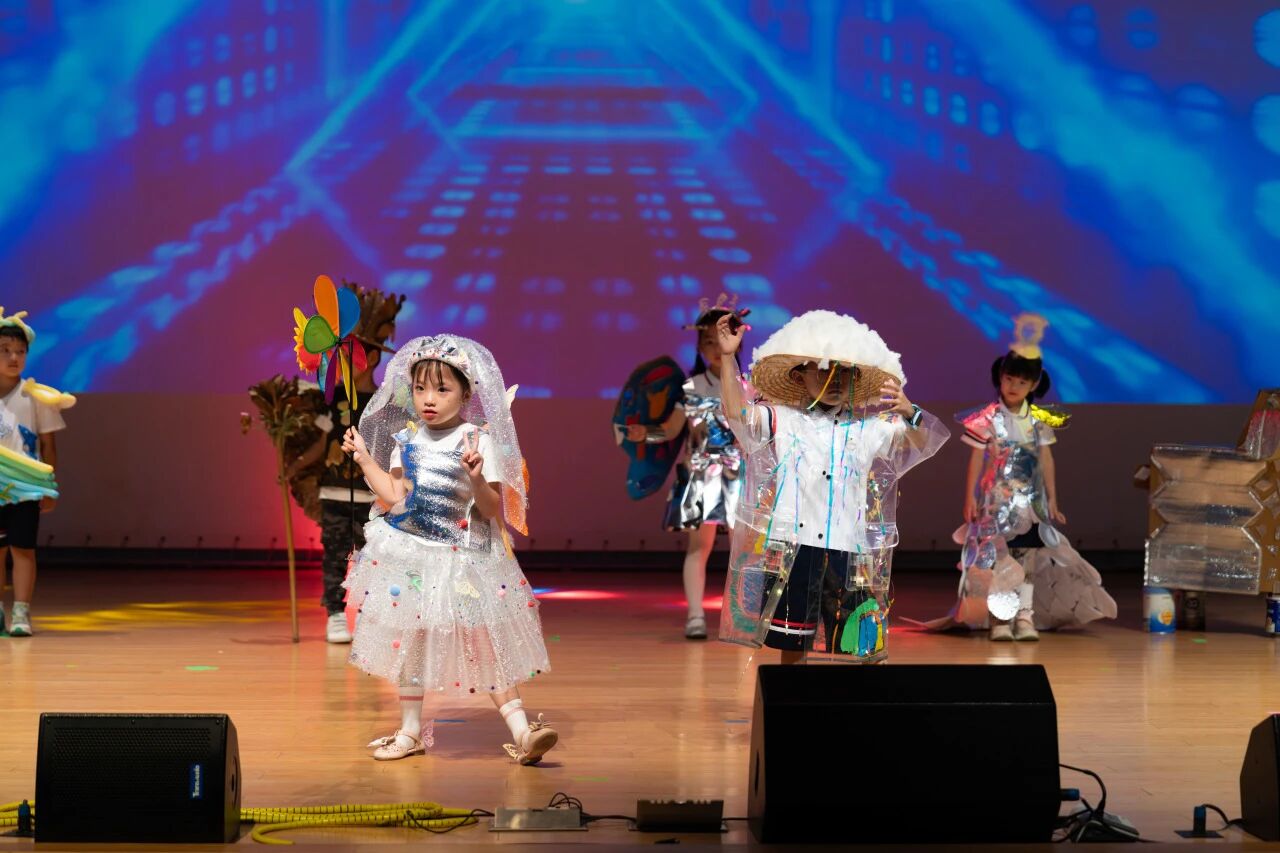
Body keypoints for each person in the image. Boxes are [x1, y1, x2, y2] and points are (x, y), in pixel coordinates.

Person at [341, 334, 556, 763]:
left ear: (465, 394)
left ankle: (521, 730)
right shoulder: (407, 439)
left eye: (442, 389)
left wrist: (476, 477)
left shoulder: (477, 440)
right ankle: (409, 731)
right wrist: (365, 459)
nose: (428, 399)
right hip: (412, 554)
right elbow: (395, 498)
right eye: (420, 388)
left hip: (464, 557)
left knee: (484, 639)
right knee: (411, 639)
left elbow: (490, 509)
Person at [715, 309, 949, 662]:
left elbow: (922, 442)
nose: (835, 380)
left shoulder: (867, 429)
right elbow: (737, 415)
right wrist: (727, 357)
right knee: (793, 646)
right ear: (801, 375)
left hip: (848, 550)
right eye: (824, 370)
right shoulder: (783, 420)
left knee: (861, 645)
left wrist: (909, 411)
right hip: (795, 547)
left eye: (844, 372)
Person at [0, 308, 71, 637]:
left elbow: (48, 446)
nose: (14, 357)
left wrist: (48, 488)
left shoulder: (37, 397)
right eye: (5, 350)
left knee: (23, 549)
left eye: (20, 351)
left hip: (26, 488)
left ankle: (21, 611)